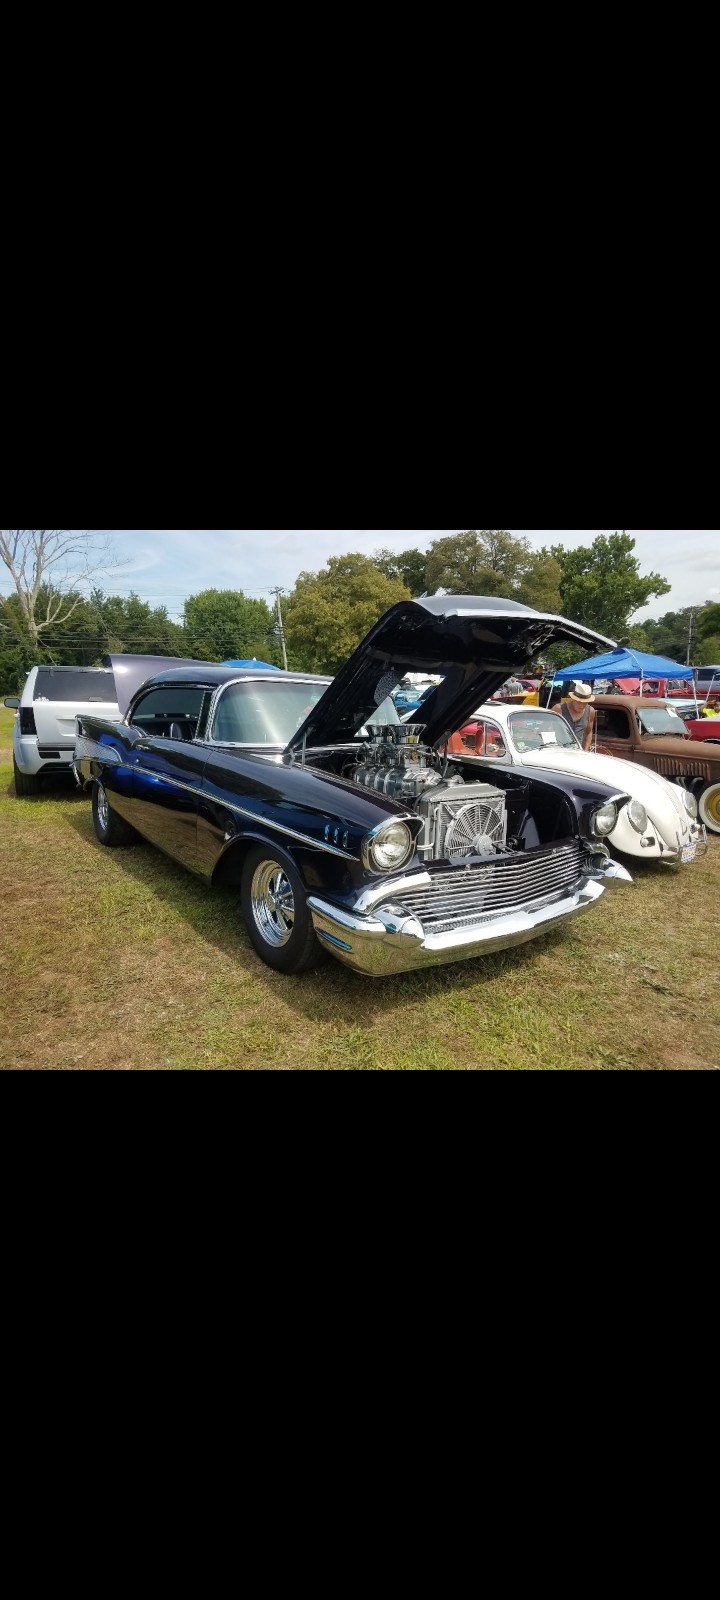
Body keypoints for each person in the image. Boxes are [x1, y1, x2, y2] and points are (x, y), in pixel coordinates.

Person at [553, 681, 596, 750]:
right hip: (559, 750)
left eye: (585, 703)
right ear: (573, 698)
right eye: (579, 702)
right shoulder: (559, 709)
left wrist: (585, 751)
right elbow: (547, 729)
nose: (581, 705)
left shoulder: (591, 711)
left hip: (578, 753)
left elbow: (588, 733)